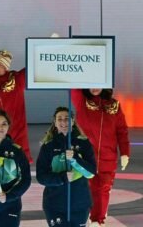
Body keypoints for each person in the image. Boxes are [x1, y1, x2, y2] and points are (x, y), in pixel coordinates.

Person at [71, 89, 130, 227]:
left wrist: (125, 152)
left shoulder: (114, 106)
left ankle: (99, 220)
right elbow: (73, 87)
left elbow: (122, 130)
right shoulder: (81, 101)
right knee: (90, 188)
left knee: (104, 189)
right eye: (92, 83)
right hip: (86, 156)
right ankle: (93, 218)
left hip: (108, 156)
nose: (95, 88)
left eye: (99, 83)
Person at [36, 106, 97, 227]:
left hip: (80, 204)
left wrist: (75, 159)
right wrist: (62, 178)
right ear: (55, 122)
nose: (63, 122)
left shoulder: (84, 143)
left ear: (73, 121)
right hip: (55, 204)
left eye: (67, 118)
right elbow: (41, 177)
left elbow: (91, 173)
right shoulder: (48, 146)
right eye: (60, 119)